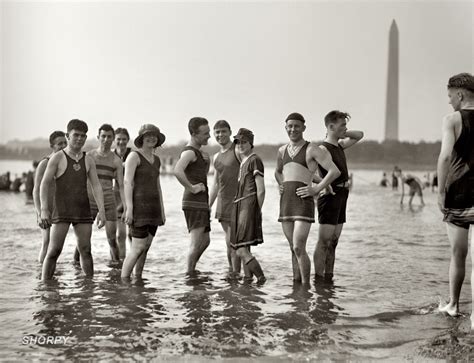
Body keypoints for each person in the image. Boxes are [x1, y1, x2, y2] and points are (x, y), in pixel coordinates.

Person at [275, 112, 340, 285]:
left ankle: (305, 289)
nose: (293, 129)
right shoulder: (281, 150)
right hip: (286, 203)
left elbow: (334, 171)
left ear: (303, 127)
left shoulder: (312, 149)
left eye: (297, 126)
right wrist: (280, 184)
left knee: (298, 247)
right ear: (285, 128)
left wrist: (317, 188)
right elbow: (278, 171)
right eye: (289, 126)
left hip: (303, 203)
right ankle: (296, 289)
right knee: (292, 248)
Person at [39, 119, 106, 280]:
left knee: (86, 250)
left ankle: (88, 288)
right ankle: (44, 287)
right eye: (76, 135)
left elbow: (96, 186)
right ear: (68, 136)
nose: (79, 139)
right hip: (62, 210)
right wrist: (43, 209)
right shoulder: (57, 158)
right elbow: (44, 184)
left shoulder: (88, 159)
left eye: (83, 136)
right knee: (54, 251)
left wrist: (102, 211)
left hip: (82, 210)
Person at [436, 72, 474, 321]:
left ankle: (454, 305)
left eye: (450, 96)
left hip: (459, 192)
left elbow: (446, 157)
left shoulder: (453, 119)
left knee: (458, 254)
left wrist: (440, 191)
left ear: (460, 94)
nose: (449, 101)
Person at [314, 110, 364, 281]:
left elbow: (359, 135)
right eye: (342, 125)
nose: (346, 128)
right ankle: (318, 280)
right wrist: (321, 186)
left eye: (345, 125)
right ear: (330, 126)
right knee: (324, 242)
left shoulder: (339, 146)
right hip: (330, 195)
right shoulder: (323, 148)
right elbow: (313, 173)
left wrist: (342, 132)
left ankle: (329, 277)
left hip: (343, 194)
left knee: (334, 241)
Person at [72, 124, 126, 264]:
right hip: (89, 199)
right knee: (83, 239)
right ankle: (76, 265)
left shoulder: (116, 160)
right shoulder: (89, 156)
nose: (106, 139)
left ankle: (116, 270)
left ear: (113, 138)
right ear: (98, 137)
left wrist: (126, 207)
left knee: (112, 239)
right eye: (103, 136)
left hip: (108, 200)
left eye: (109, 137)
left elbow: (121, 185)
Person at [121, 124, 166, 279]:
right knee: (137, 248)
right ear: (141, 138)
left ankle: (138, 278)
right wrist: (129, 209)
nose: (152, 138)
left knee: (145, 247)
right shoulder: (134, 156)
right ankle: (124, 281)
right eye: (148, 135)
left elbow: (158, 186)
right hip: (138, 209)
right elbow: (128, 182)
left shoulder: (157, 159)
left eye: (154, 135)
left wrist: (162, 210)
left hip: (153, 209)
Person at [174, 117, 211, 274]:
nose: (209, 136)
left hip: (201, 201)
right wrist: (192, 188)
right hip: (193, 201)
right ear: (194, 134)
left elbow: (201, 175)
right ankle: (189, 275)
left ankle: (190, 269)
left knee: (206, 241)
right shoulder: (189, 151)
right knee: (196, 243)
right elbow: (177, 170)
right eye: (205, 133)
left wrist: (206, 162)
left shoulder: (199, 153)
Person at [230, 128, 266, 283]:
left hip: (248, 204)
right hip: (240, 205)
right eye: (238, 142)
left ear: (251, 143)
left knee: (241, 249)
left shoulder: (254, 160)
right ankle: (247, 280)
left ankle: (261, 278)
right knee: (244, 246)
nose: (240, 144)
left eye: (244, 142)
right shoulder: (243, 161)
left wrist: (256, 210)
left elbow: (261, 190)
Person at [209, 120, 244, 274]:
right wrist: (208, 205)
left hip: (238, 202)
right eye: (217, 132)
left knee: (234, 242)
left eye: (223, 131)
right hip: (223, 203)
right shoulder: (216, 156)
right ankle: (233, 273)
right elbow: (216, 183)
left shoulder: (237, 150)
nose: (220, 135)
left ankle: (237, 274)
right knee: (228, 241)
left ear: (230, 132)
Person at [32, 131, 67, 263]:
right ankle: (42, 274)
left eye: (65, 143)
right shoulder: (44, 163)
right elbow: (35, 191)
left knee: (56, 245)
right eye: (60, 144)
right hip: (45, 208)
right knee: (46, 242)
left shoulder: (65, 162)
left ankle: (52, 272)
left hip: (60, 208)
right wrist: (40, 212)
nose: (63, 146)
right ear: (52, 146)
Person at [113, 127, 133, 259]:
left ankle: (133, 260)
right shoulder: (110, 155)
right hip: (116, 197)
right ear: (114, 140)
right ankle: (119, 262)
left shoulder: (133, 154)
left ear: (128, 140)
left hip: (132, 195)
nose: (121, 142)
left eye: (124, 139)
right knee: (120, 235)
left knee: (132, 234)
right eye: (118, 139)